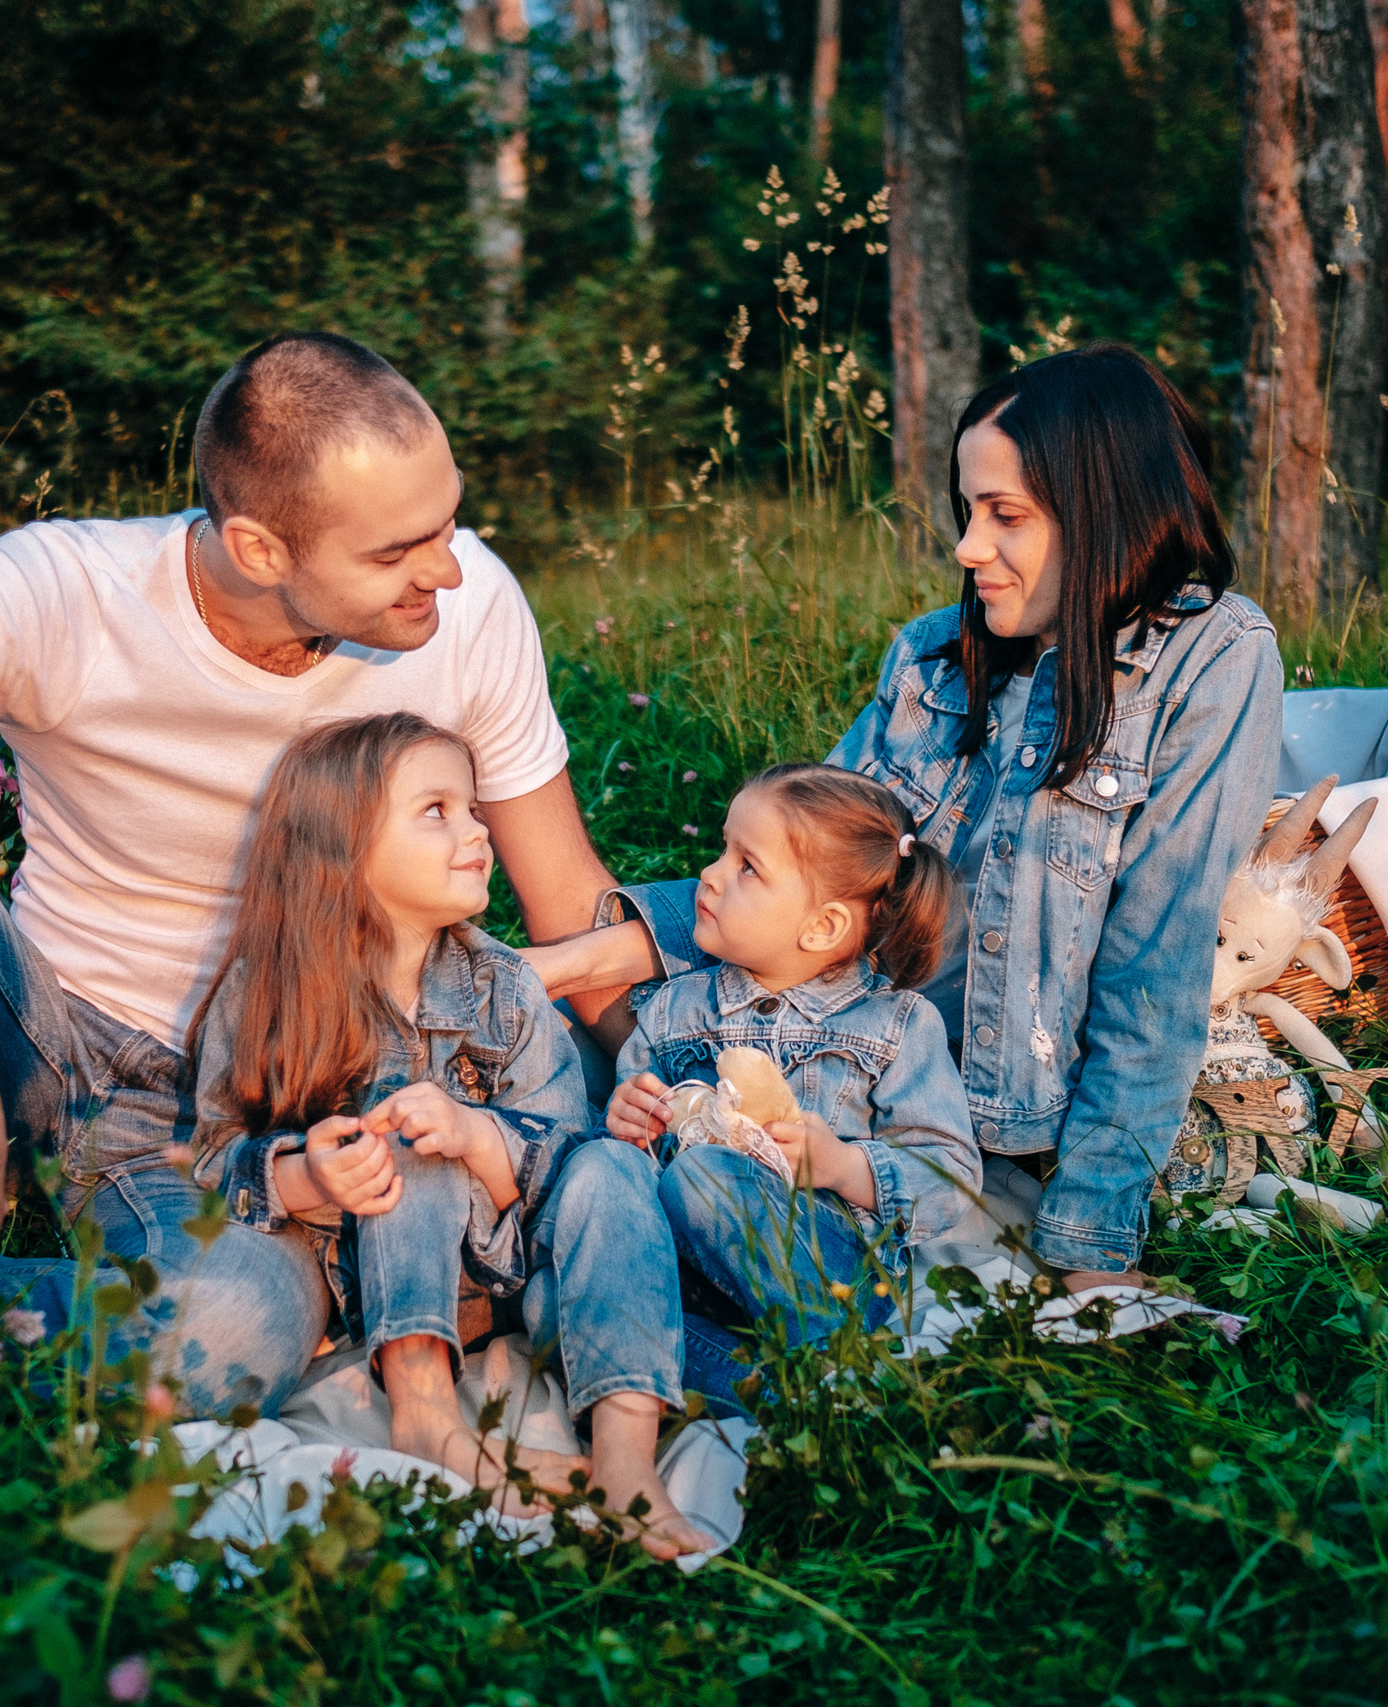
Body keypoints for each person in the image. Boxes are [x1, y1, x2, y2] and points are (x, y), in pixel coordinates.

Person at [0, 331, 632, 1464]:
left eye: (448, 523)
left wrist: (681, 1093)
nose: (449, 572)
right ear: (258, 545)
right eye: (397, 552)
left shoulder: (468, 612)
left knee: (233, 1339)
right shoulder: (64, 588)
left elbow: (572, 904)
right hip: (53, 1044)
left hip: (295, 1104)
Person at [533, 342, 1284, 1295]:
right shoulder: (933, 659)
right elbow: (803, 877)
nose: (968, 548)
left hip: (975, 1155)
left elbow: (1154, 969)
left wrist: (1090, 1258)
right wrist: (565, 965)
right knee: (544, 1069)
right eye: (969, 511)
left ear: (1104, 511)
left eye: (1005, 515)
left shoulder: (1213, 658)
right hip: (825, 1087)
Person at [190, 713, 710, 1556]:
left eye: (475, 811)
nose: (478, 832)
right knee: (404, 1121)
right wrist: (310, 1178)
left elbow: (566, 1174)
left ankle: (624, 1454)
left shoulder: (502, 987)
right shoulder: (269, 991)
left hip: (522, 1281)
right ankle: (427, 1413)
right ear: (344, 845)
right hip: (378, 1290)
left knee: (613, 1163)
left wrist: (476, 1136)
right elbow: (214, 1161)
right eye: (438, 811)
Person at [599, 765, 977, 1410]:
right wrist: (627, 1117)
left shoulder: (895, 1024)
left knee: (706, 1179)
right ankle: (802, 1390)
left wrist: (844, 1166)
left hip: (832, 1269)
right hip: (698, 1275)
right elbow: (632, 1145)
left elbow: (952, 1175)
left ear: (822, 927)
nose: (711, 874)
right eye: (723, 848)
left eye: (747, 865)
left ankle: (826, 1347)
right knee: (570, 1309)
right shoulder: (673, 1010)